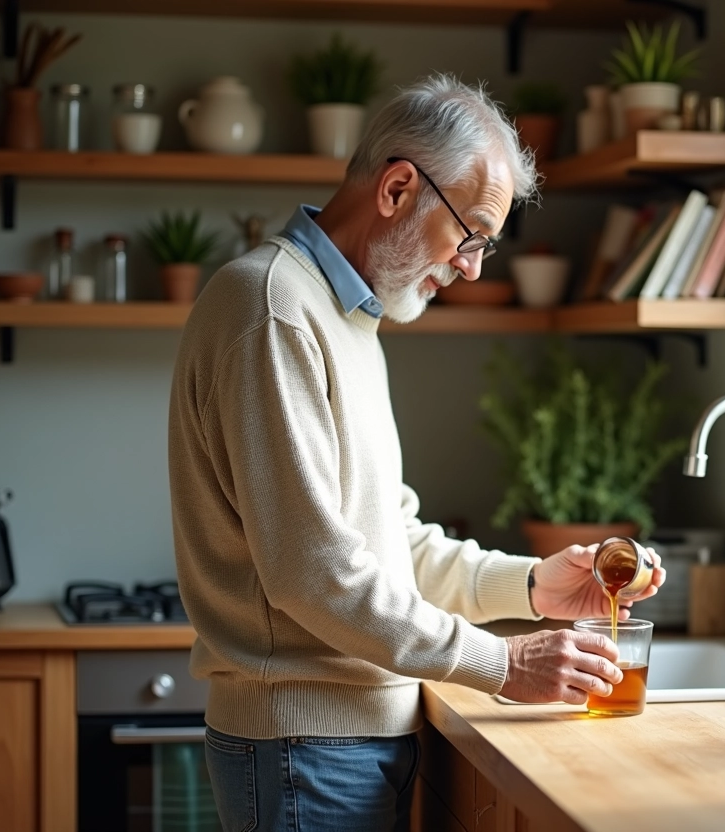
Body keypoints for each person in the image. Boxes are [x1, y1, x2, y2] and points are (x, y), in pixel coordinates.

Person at [167, 74, 665, 832]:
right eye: (470, 236)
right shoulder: (272, 310)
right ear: (398, 188)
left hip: (346, 741)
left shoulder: (351, 320)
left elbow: (388, 545)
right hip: (305, 745)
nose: (471, 267)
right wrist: (504, 664)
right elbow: (315, 576)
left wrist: (532, 586)